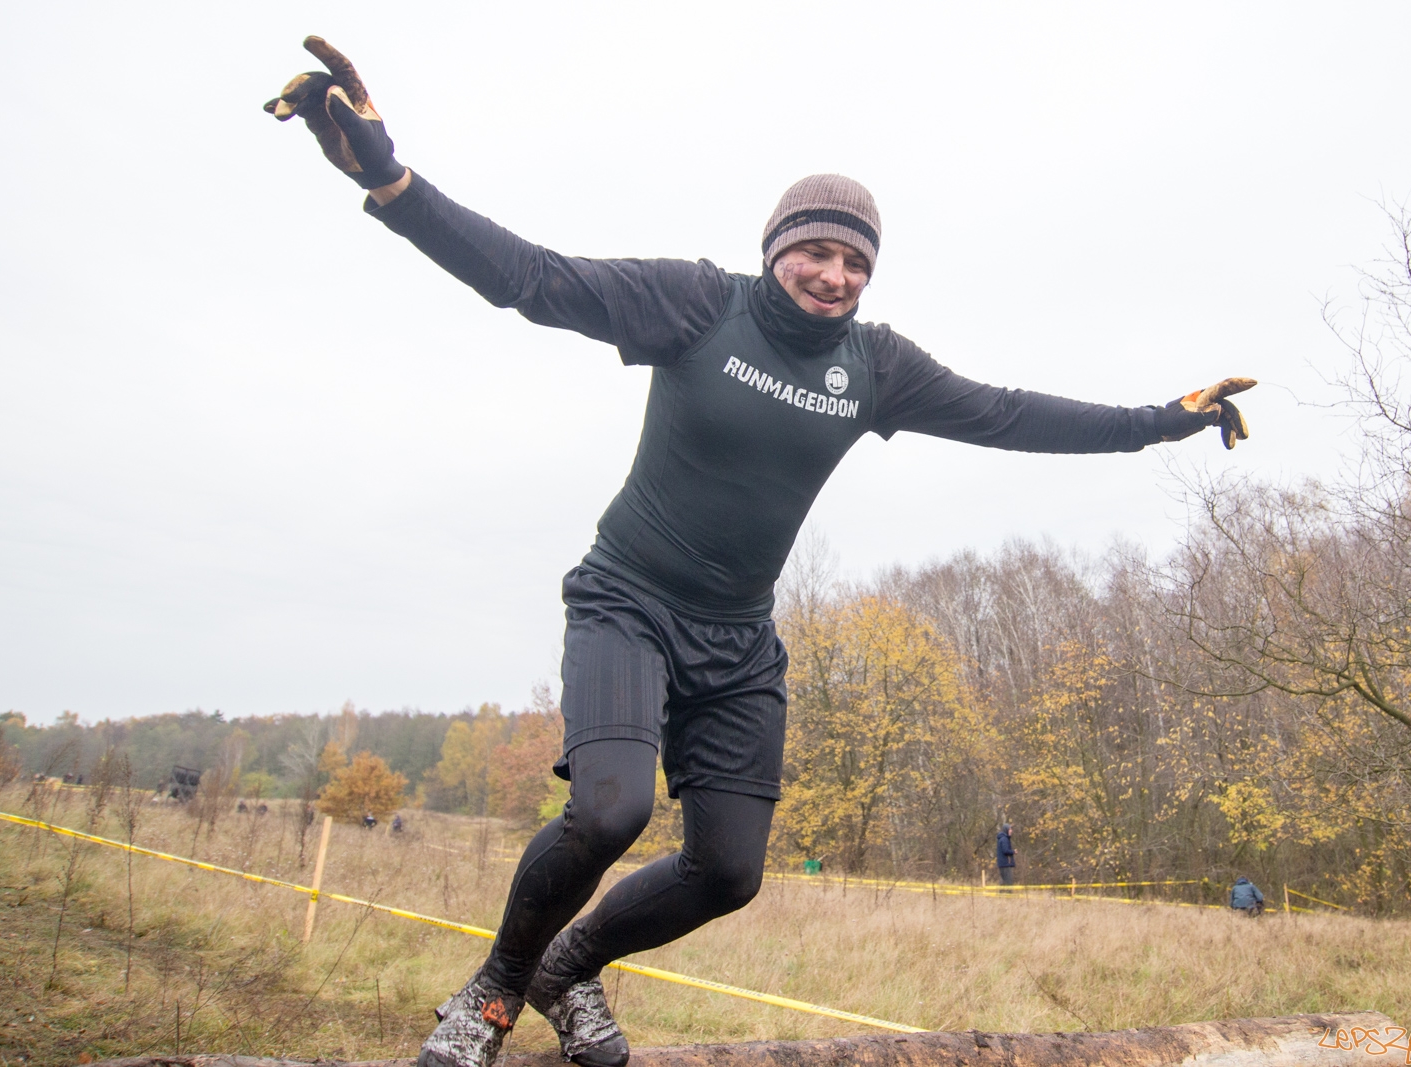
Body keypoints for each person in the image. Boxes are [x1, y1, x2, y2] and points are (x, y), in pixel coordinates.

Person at [265, 38, 1256, 1067]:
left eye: (855, 261)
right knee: (611, 806)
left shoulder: (876, 365)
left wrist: (1158, 420)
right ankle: (494, 990)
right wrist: (391, 182)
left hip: (737, 640)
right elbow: (532, 279)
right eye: (815, 251)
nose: (833, 275)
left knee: (729, 871)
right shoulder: (697, 303)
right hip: (628, 602)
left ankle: (570, 967)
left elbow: (1008, 414)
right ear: (776, 246)